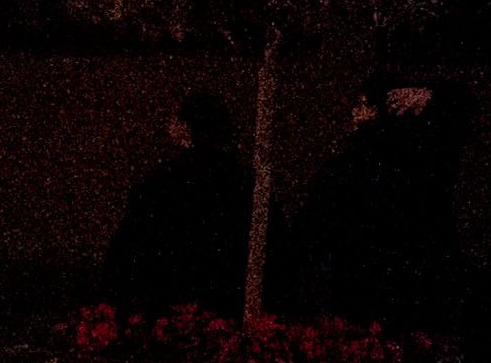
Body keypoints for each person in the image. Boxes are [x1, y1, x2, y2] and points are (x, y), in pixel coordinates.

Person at [284, 76, 468, 335]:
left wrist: (431, 96)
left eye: (363, 105)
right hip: (363, 283)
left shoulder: (405, 165)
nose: (355, 113)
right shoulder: (354, 167)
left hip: (382, 283)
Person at [99, 90, 249, 317]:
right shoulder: (243, 180)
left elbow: (128, 246)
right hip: (225, 300)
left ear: (185, 128)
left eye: (173, 119)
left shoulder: (161, 181)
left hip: (167, 302)